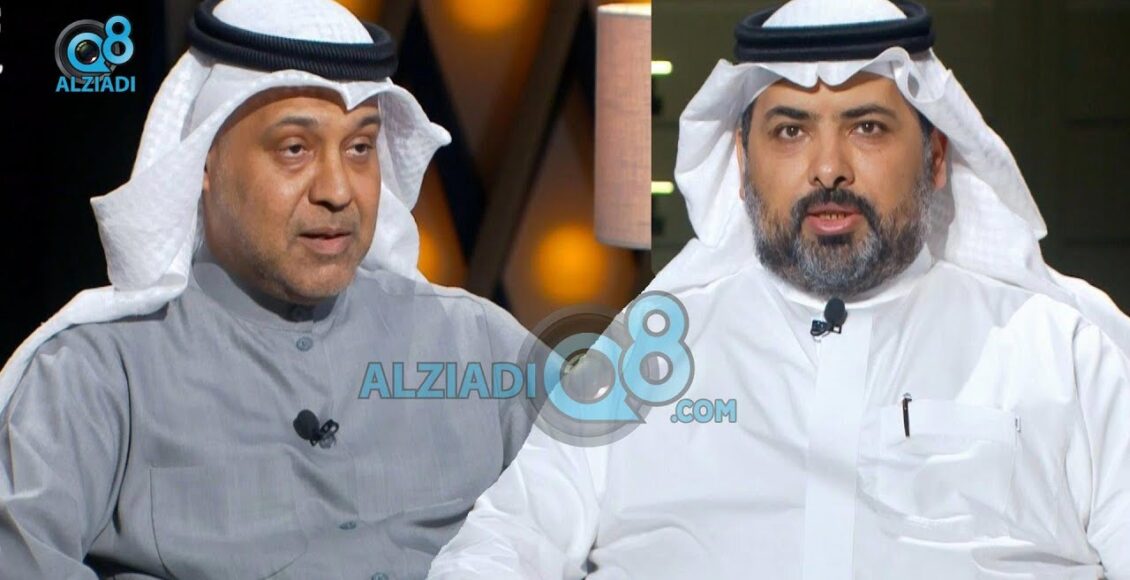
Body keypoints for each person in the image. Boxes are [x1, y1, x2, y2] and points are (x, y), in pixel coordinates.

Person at [427, 0, 1130, 578]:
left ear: (937, 155)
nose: (828, 168)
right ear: (741, 162)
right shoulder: (647, 352)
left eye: (867, 127)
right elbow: (506, 538)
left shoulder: (1062, 347)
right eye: (790, 130)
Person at [0, 0, 534, 577]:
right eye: (294, 149)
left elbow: (609, 500)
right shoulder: (99, 373)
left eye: (359, 148)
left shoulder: (477, 343)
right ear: (204, 162)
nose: (337, 191)